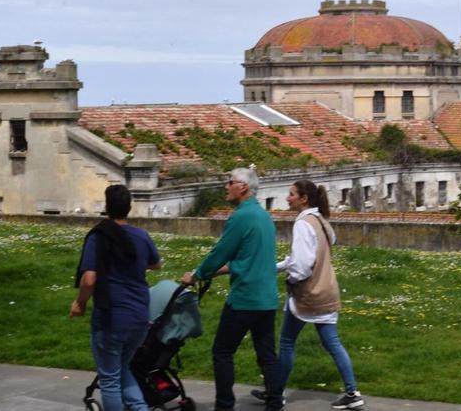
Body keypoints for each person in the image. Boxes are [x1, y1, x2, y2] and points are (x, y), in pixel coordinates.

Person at [252, 180, 365, 410]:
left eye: (291, 194)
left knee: (286, 343)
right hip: (327, 291)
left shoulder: (303, 223)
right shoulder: (321, 220)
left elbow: (302, 266)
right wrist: (277, 266)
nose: (287, 198)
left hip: (308, 294)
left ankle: (276, 393)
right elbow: (312, 253)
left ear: (303, 198)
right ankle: (353, 392)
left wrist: (291, 279)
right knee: (333, 343)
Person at [180, 167, 284, 411]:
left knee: (222, 351)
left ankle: (224, 405)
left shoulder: (241, 216)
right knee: (267, 354)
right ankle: (275, 403)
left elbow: (221, 251)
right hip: (266, 297)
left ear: (243, 187)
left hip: (245, 298)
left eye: (230, 182)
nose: (226, 186)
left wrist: (197, 274)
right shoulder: (262, 215)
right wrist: (219, 271)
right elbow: (249, 258)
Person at [70, 184, 162, 411]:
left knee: (110, 377)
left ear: (106, 207)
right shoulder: (141, 236)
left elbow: (89, 279)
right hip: (139, 317)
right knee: (122, 368)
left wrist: (80, 303)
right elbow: (156, 264)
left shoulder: (99, 236)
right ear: (129, 208)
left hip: (111, 317)